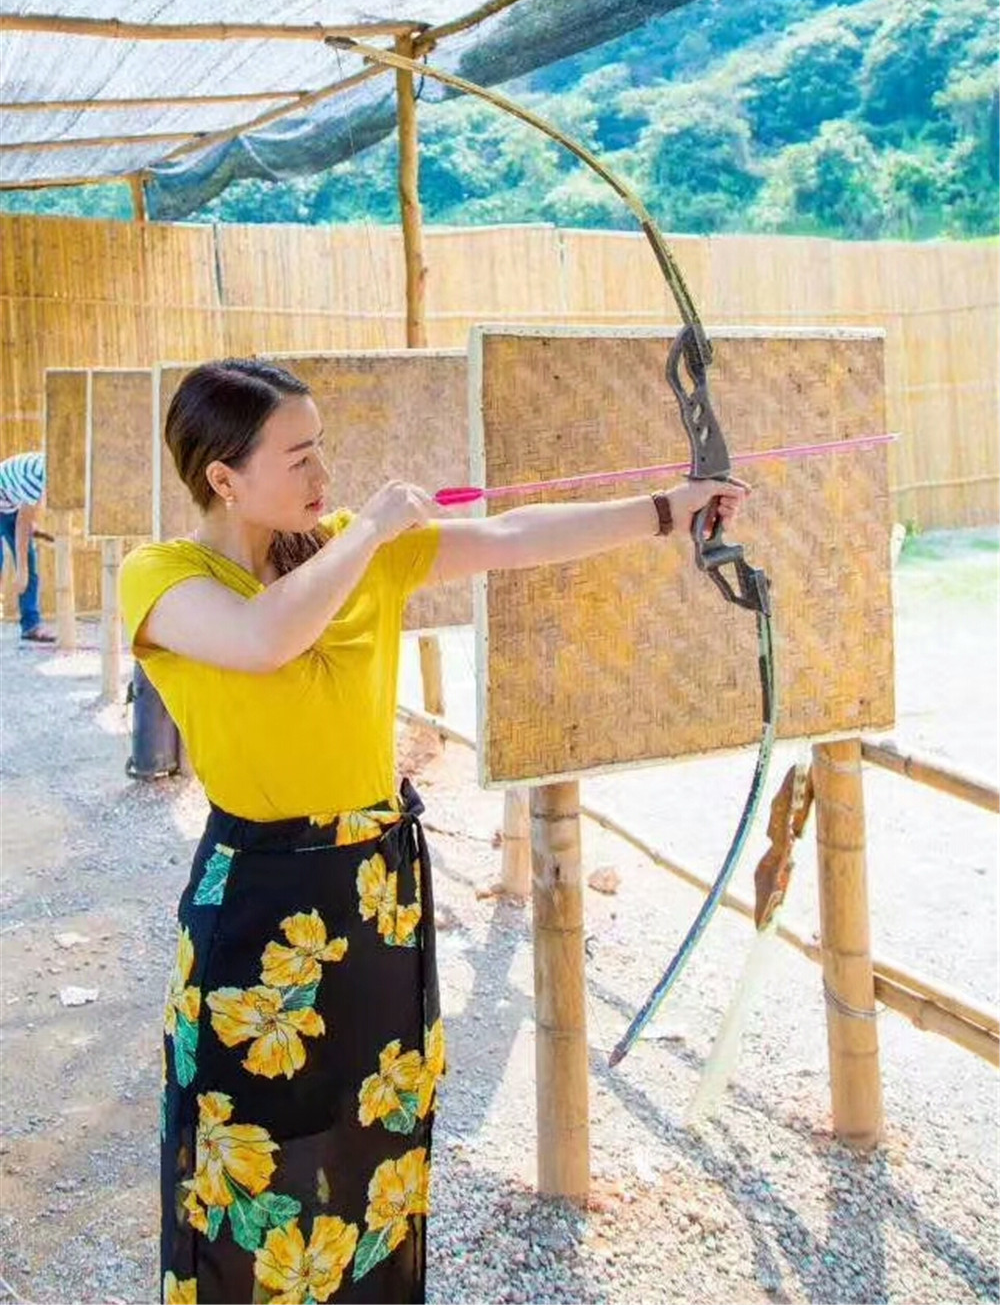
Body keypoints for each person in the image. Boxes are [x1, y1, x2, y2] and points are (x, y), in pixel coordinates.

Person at [119, 357, 747, 1305]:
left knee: (376, 1134)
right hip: (259, 900)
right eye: (299, 456)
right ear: (223, 477)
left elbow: (511, 536)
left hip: (374, 893)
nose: (324, 474)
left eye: (321, 448)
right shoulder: (162, 577)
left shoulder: (344, 552)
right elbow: (262, 640)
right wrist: (369, 528)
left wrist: (665, 508)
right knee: (249, 1144)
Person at [0, 450, 55, 643]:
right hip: (5, 506)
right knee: (24, 566)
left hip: (9, 507)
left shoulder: (56, 471)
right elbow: (22, 523)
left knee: (29, 564)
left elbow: (25, 511)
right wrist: (20, 571)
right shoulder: (39, 473)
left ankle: (31, 626)